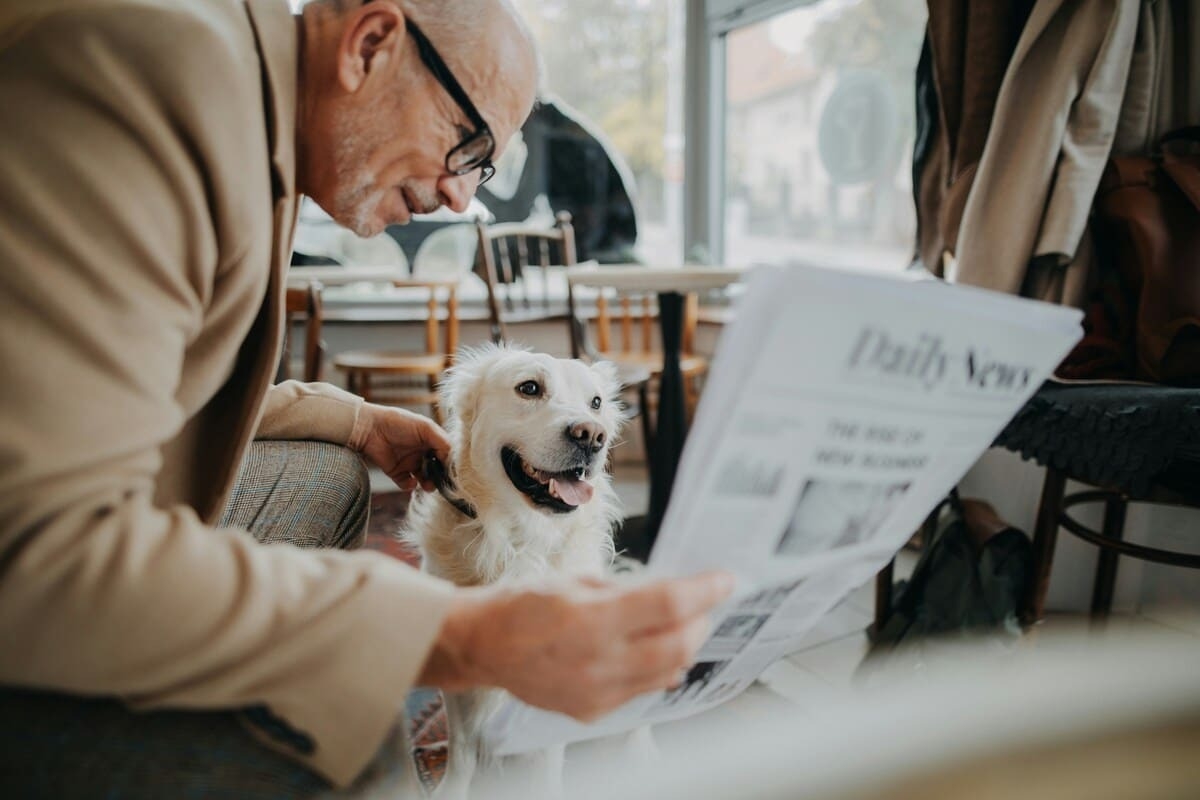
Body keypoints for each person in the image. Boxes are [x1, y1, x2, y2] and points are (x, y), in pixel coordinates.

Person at [0, 0, 733, 796]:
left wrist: (354, 419)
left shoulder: (261, 123)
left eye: (485, 170)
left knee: (332, 470)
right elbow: (32, 549)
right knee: (353, 746)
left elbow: (147, 376)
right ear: (373, 43)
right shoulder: (156, 79)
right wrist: (446, 634)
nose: (462, 199)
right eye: (468, 145)